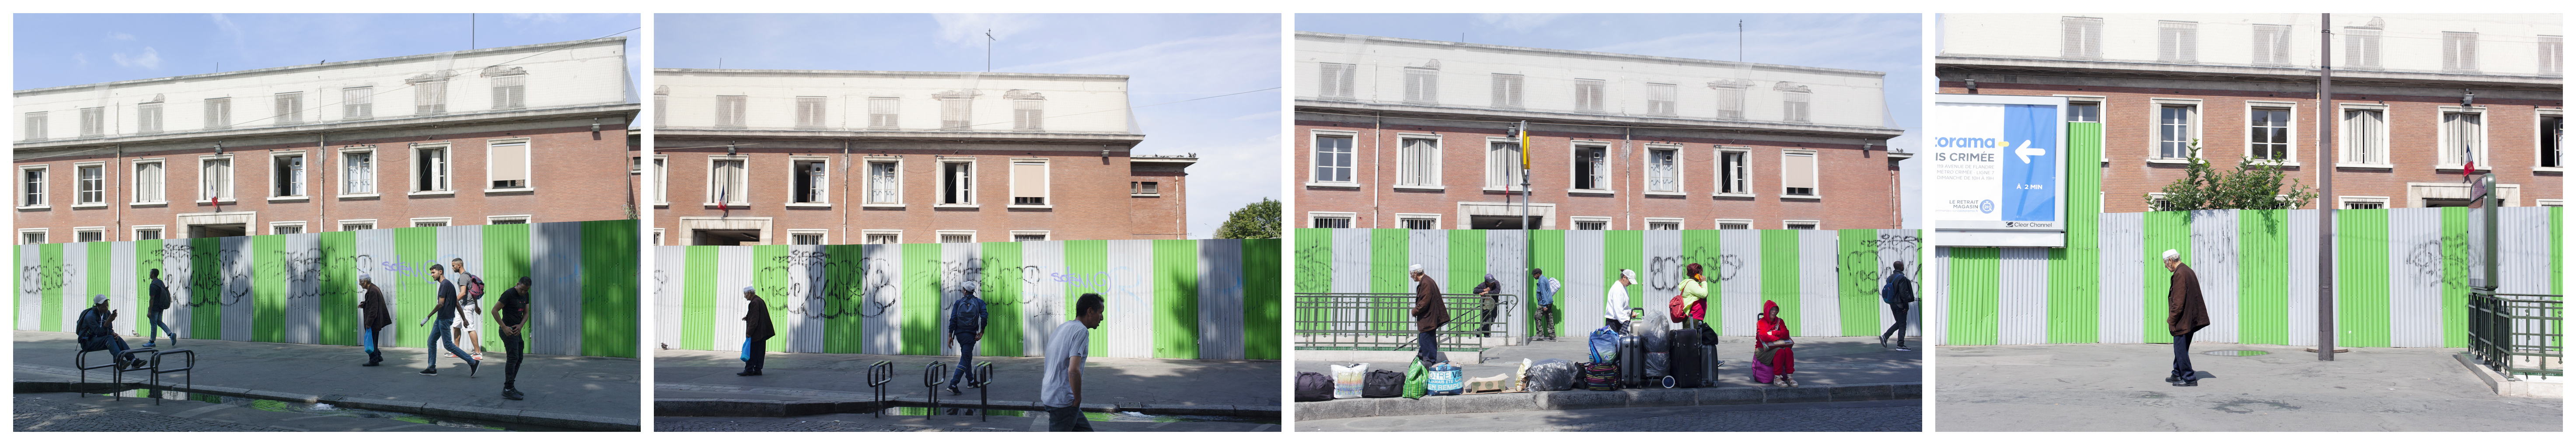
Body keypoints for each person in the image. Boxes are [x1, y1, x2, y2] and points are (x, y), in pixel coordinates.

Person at [1041, 293, 1105, 432]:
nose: (1102, 318)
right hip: (1063, 402)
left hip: (1052, 395)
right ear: (1090, 312)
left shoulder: (1063, 328)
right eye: (1100, 312)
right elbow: (1073, 370)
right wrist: (1077, 399)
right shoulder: (1081, 331)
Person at [418, 264, 480, 377]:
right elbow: (457, 304)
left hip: (445, 319)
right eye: (431, 273)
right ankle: (432, 368)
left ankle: (473, 362)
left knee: (448, 345)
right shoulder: (450, 285)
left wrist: (428, 317)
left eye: (434, 273)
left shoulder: (444, 285)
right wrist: (464, 319)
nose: (432, 275)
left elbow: (441, 303)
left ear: (440, 272)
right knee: (431, 341)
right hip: (441, 319)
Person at [2163, 249, 2212, 387]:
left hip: (2182, 320)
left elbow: (2178, 302)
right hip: (2190, 319)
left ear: (2171, 261)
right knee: (2181, 348)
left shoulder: (2180, 274)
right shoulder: (2188, 271)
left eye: (2166, 264)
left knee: (2180, 348)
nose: (2166, 268)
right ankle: (2177, 374)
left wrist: (2171, 320)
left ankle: (2189, 377)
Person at [76, 294, 141, 369]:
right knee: (109, 339)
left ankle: (133, 361)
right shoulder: (90, 317)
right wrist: (108, 321)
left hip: (99, 340)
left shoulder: (107, 313)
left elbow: (109, 330)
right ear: (97, 307)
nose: (106, 308)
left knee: (117, 338)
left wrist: (113, 334)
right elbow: (99, 333)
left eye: (107, 305)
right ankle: (119, 361)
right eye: (104, 307)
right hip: (88, 342)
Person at [944, 287, 988, 395]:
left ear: (965, 291)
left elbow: (953, 319)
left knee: (967, 356)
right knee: (965, 358)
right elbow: (984, 317)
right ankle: (953, 384)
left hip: (960, 335)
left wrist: (950, 335)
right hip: (971, 336)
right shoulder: (979, 302)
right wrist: (982, 331)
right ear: (973, 291)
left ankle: (971, 381)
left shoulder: (959, 303)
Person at [496, 277, 533, 400]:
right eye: (522, 289)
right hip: (508, 331)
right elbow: (494, 311)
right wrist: (504, 327)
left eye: (526, 291)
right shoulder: (509, 294)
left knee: (519, 358)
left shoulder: (526, 295)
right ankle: (508, 389)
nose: (523, 293)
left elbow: (526, 313)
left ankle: (510, 386)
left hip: (517, 331)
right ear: (518, 284)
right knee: (513, 358)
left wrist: (521, 326)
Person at [1407, 264, 1449, 364]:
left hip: (1428, 320)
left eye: (1411, 275)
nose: (1411, 277)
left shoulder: (1426, 283)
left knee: (1428, 344)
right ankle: (1425, 363)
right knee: (1425, 343)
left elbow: (1424, 303)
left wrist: (1414, 311)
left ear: (1416, 273)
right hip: (1429, 319)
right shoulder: (1427, 281)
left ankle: (1429, 365)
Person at [448, 258, 487, 361]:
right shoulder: (468, 275)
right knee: (456, 326)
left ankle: (478, 352)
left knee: (470, 328)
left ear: (459, 266)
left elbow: (463, 293)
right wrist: (477, 306)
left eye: (454, 266)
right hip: (465, 305)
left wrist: (452, 302)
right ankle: (456, 351)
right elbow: (472, 292)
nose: (452, 268)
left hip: (467, 306)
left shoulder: (463, 277)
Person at [1755, 300, 1797, 387]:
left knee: (1788, 350)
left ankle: (1790, 378)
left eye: (1776, 310)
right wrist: (1779, 337)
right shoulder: (1761, 323)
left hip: (1778, 347)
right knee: (1780, 351)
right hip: (1762, 350)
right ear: (1767, 311)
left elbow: (1786, 335)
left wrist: (1774, 333)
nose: (1774, 312)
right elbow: (1765, 338)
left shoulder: (1779, 321)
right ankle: (1777, 378)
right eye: (1772, 310)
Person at [1879, 261, 1915, 351]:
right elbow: (1903, 293)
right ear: (1900, 267)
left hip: (1893, 304)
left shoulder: (1890, 278)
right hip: (1900, 304)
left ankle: (1885, 337)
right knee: (1903, 325)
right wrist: (1906, 307)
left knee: (1899, 323)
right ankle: (1900, 346)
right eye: (1903, 265)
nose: (1904, 266)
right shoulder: (1901, 278)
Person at [739, 286, 775, 376]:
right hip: (763, 332)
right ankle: (758, 369)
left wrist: (749, 332)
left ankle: (749, 370)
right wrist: (748, 317)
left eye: (745, 295)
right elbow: (758, 314)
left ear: (749, 293)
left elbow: (755, 320)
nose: (745, 297)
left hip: (757, 333)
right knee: (760, 352)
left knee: (753, 351)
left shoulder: (754, 303)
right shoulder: (759, 300)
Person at [357, 273, 392, 366]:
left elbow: (374, 310)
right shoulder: (373, 289)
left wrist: (369, 323)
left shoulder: (372, 291)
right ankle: (378, 356)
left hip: (374, 322)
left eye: (360, 282)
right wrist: (364, 304)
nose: (360, 284)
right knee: (372, 341)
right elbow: (373, 303)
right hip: (375, 322)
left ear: (365, 281)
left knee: (371, 341)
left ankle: (374, 360)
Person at [142, 269, 176, 347]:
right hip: (161, 307)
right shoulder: (160, 282)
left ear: (153, 275)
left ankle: (152, 342)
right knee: (159, 322)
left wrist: (149, 311)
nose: (150, 275)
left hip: (155, 308)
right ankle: (171, 335)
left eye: (150, 273)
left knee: (153, 324)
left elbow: (152, 299)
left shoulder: (153, 285)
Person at [1467, 273, 1504, 337]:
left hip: (1493, 305)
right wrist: (1485, 290)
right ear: (1487, 282)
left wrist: (1487, 293)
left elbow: (1497, 292)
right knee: (1484, 321)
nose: (1493, 283)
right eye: (1491, 282)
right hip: (1484, 305)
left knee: (1492, 320)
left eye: (1493, 281)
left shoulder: (1496, 283)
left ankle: (1478, 331)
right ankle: (1486, 336)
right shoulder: (1483, 285)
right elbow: (1475, 291)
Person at [1530, 268, 1560, 340]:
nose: (1534, 276)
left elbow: (1544, 293)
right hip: (1550, 301)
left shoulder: (1542, 281)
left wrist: (1544, 305)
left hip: (1545, 302)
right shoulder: (1544, 279)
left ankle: (1540, 334)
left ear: (1538, 274)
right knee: (1549, 318)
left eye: (1534, 275)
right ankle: (1552, 335)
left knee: (1537, 317)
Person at [1678, 263, 1710, 330]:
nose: (1701, 276)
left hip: (1696, 318)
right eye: (1700, 274)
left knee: (1698, 340)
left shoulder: (1694, 284)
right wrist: (1704, 282)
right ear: (1696, 274)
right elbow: (1704, 294)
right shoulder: (1691, 283)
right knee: (1693, 340)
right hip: (1692, 319)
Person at [1604, 269, 1636, 335]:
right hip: (1614, 323)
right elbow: (1618, 311)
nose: (1630, 284)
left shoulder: (1623, 288)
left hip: (1620, 320)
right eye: (1630, 281)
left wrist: (1630, 312)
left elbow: (1624, 306)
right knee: (1615, 344)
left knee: (1622, 343)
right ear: (1624, 278)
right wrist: (1629, 321)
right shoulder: (1618, 290)